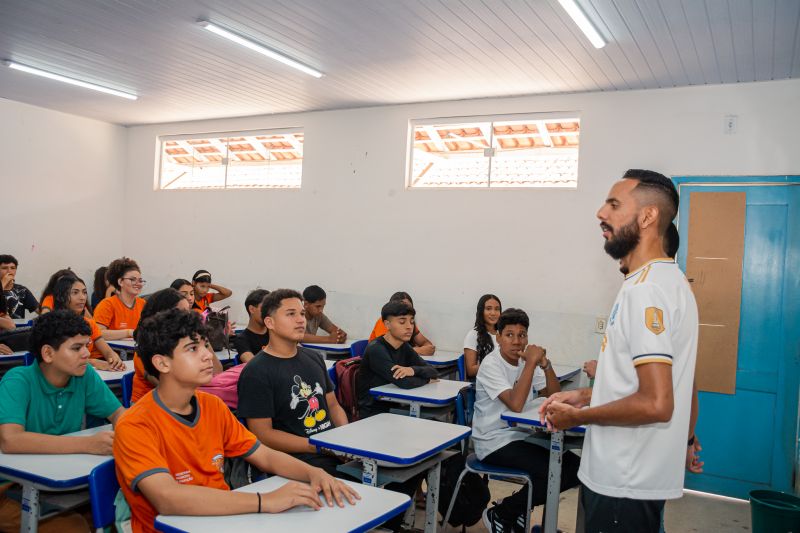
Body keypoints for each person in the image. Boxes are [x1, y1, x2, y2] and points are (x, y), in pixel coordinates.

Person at [540, 169, 699, 533]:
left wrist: (576, 417)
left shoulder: (646, 291)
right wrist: (584, 395)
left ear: (647, 216)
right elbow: (663, 384)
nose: (601, 213)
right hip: (637, 478)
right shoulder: (670, 281)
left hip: (623, 480)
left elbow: (657, 403)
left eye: (614, 204)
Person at [114, 308, 359, 533]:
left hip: (224, 519)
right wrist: (264, 501)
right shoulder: (136, 424)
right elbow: (167, 499)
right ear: (162, 363)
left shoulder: (212, 406)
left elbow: (264, 455)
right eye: (192, 349)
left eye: (205, 345)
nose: (207, 356)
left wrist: (314, 473)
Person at [0, 311, 125, 532]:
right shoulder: (18, 381)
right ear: (48, 353)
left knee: (117, 513)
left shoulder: (84, 376)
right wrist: (88, 444)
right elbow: (11, 440)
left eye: (87, 345)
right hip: (9, 486)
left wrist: (127, 434)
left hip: (56, 482)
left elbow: (119, 414)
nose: (86, 353)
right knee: (76, 527)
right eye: (76, 348)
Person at [473, 308, 579, 531]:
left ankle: (515, 509)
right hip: (493, 441)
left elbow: (554, 396)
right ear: (498, 338)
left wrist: (546, 365)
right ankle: (503, 513)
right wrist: (531, 362)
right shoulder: (491, 365)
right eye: (509, 335)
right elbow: (516, 404)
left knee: (574, 467)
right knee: (551, 471)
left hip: (523, 435)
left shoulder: (524, 362)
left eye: (522, 335)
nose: (516, 341)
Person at [238, 289, 349, 472]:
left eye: (302, 314)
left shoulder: (314, 358)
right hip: (300, 461)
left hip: (333, 449)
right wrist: (319, 446)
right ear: (270, 322)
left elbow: (333, 405)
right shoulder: (256, 372)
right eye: (291, 314)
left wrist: (345, 439)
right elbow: (263, 435)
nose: (300, 320)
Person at [130, 288, 223, 404]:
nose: (187, 317)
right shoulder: (146, 350)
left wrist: (200, 338)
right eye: (181, 313)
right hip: (151, 405)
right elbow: (173, 389)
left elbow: (217, 371)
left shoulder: (192, 340)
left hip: (186, 401)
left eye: (188, 311)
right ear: (163, 316)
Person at [357, 300, 438, 419]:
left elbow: (433, 371)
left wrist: (412, 370)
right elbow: (404, 382)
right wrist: (427, 380)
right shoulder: (376, 349)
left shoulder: (404, 346)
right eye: (402, 322)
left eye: (412, 321)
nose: (409, 327)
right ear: (387, 324)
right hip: (374, 413)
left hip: (395, 407)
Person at [52, 276, 126, 371]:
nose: (82, 297)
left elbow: (107, 351)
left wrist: (114, 360)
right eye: (75, 293)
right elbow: (61, 358)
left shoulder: (89, 323)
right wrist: (94, 363)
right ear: (61, 297)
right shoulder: (53, 324)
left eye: (84, 292)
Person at [93, 257, 146, 340]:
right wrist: (129, 333)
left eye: (140, 280)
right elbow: (97, 332)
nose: (138, 283)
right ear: (120, 282)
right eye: (132, 279)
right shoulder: (107, 304)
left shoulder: (143, 304)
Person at [368, 291, 435, 356]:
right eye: (401, 322)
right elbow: (387, 350)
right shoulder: (385, 322)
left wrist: (424, 349)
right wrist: (416, 350)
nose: (407, 311)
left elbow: (428, 345)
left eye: (409, 308)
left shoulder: (409, 323)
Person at [463, 294, 502, 379]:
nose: (493, 313)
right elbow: (471, 370)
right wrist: (498, 365)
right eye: (488, 309)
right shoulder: (473, 334)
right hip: (485, 382)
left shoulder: (503, 333)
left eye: (497, 309)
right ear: (481, 311)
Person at [232, 289, 270, 364]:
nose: (269, 312)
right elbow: (253, 365)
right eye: (265, 308)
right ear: (252, 309)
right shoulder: (241, 339)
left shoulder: (276, 333)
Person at [0, 254, 39, 319]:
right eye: (4, 268)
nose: (9, 271)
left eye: (13, 268)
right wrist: (2, 284)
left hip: (18, 326)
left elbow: (39, 310)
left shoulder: (22, 290)